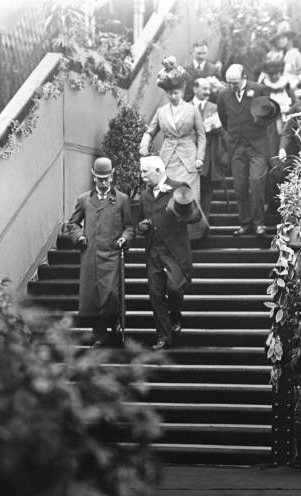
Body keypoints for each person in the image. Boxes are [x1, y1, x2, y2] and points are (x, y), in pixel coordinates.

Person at [66, 157, 134, 348]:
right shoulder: (84, 199)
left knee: (111, 293)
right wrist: (79, 236)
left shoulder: (122, 199)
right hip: (91, 254)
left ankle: (115, 323)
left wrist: (125, 238)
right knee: (94, 295)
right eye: (99, 179)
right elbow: (72, 223)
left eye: (106, 178)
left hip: (112, 254)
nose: (103, 183)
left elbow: (129, 227)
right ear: (93, 177)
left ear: (112, 176)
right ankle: (99, 335)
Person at [138, 156, 202, 350]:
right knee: (155, 294)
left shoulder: (178, 187)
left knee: (174, 288)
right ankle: (164, 337)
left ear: (158, 170)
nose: (142, 177)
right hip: (153, 251)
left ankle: (175, 315)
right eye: (141, 172)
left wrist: (175, 209)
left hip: (174, 251)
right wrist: (141, 226)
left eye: (145, 172)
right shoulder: (144, 195)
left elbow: (196, 216)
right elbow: (140, 221)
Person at [217, 64, 274, 237]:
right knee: (240, 187)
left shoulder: (259, 90)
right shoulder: (223, 95)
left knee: (256, 182)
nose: (231, 86)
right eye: (228, 83)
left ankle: (259, 223)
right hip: (237, 146)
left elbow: (269, 115)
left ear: (243, 77)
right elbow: (223, 119)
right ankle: (245, 222)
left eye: (234, 83)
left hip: (257, 145)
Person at [139, 56, 206, 203]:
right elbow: (150, 131)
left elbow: (202, 136)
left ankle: (190, 225)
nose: (173, 96)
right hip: (167, 159)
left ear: (182, 90)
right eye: (170, 93)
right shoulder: (161, 112)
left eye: (176, 92)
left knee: (187, 197)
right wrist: (144, 144)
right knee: (167, 197)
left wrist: (200, 158)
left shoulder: (192, 110)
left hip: (188, 160)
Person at [191, 77, 225, 220]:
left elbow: (220, 130)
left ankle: (204, 221)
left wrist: (215, 127)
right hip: (190, 153)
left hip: (208, 156)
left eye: (209, 89)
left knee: (206, 189)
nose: (207, 92)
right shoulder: (186, 106)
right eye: (204, 89)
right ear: (195, 89)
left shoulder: (214, 107)